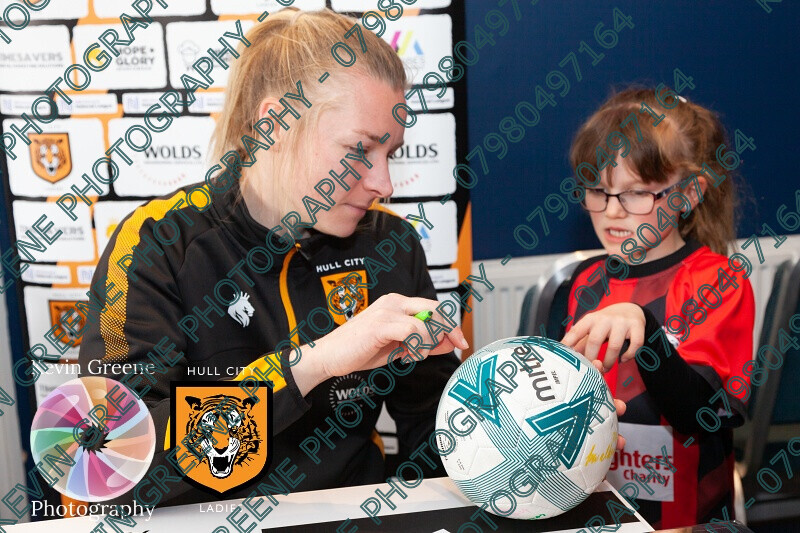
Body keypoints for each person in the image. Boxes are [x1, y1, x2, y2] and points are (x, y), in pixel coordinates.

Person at [78, 8, 468, 507]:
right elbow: (110, 456)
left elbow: (431, 432)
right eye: (359, 149)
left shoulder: (389, 244)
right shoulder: (159, 243)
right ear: (275, 123)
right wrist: (315, 363)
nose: (384, 184)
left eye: (390, 153)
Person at [559, 88, 755, 528]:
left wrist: (647, 331)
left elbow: (701, 415)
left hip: (686, 517)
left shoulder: (717, 281)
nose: (612, 211)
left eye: (635, 194)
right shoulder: (585, 282)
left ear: (688, 193)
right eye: (598, 190)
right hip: (598, 505)